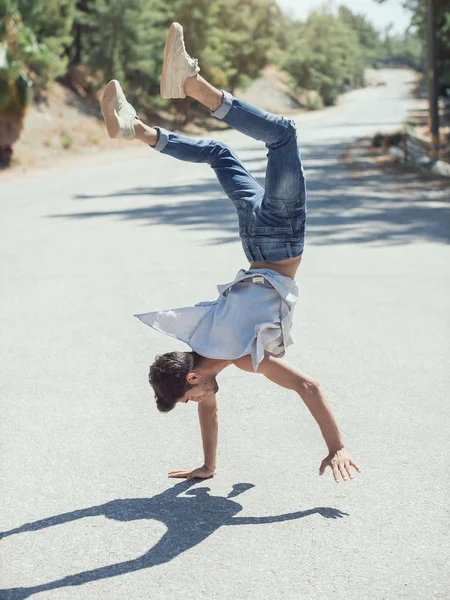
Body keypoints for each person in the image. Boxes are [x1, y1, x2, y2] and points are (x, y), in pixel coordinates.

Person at [101, 22, 360, 484]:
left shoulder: (243, 356)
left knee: (282, 135)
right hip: (255, 239)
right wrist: (209, 467)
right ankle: (137, 129)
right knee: (220, 154)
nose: (197, 405)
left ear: (192, 380)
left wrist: (337, 447)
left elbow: (308, 386)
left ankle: (191, 85)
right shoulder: (199, 340)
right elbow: (210, 412)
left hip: (279, 240)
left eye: (189, 399)